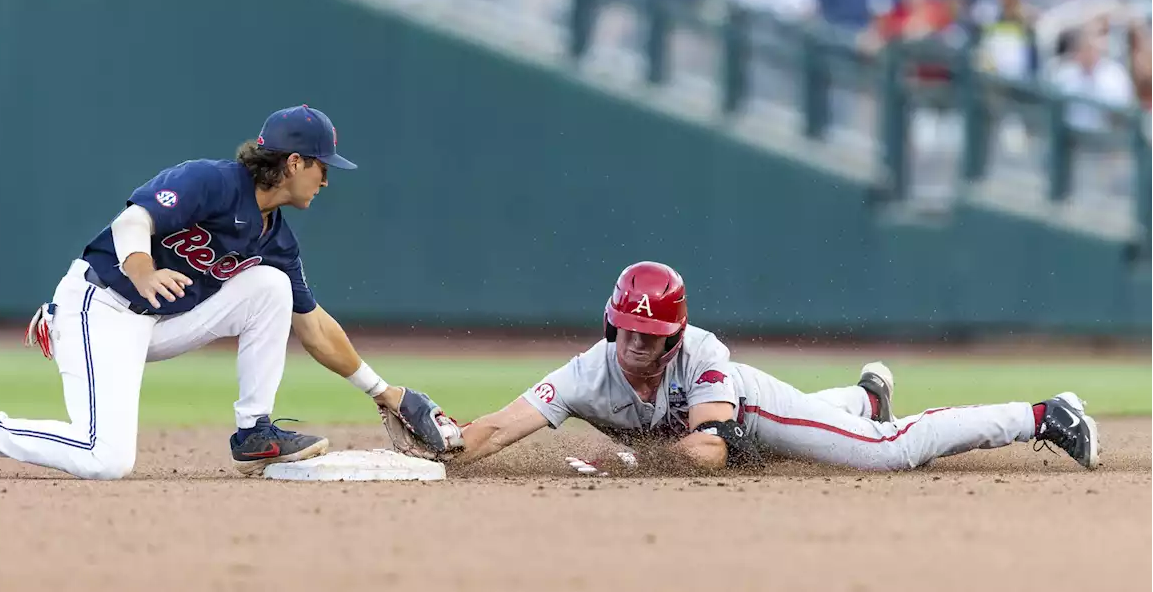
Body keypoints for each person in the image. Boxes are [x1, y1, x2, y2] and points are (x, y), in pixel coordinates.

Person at [0, 105, 462, 480]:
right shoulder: (212, 180)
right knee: (105, 459)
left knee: (271, 287)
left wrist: (381, 390)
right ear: (294, 162)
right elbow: (132, 221)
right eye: (322, 167)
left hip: (155, 322)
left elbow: (312, 326)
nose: (326, 179)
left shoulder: (276, 239)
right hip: (102, 302)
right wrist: (145, 270)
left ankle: (254, 434)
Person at [444, 261, 1098, 475]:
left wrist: (636, 463)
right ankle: (864, 395)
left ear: (674, 334)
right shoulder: (587, 373)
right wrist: (440, 446)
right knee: (802, 438)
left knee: (883, 454)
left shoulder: (704, 353)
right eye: (630, 330)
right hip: (722, 435)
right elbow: (498, 428)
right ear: (612, 323)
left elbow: (716, 445)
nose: (638, 344)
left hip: (748, 409)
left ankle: (1043, 413)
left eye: (653, 333)